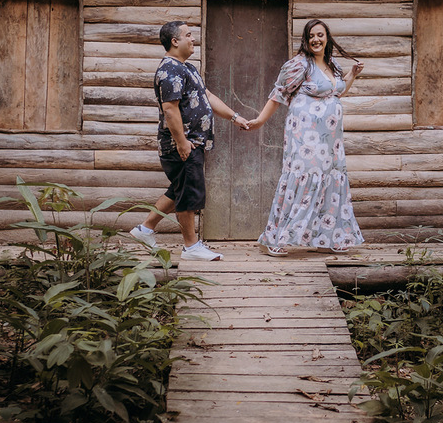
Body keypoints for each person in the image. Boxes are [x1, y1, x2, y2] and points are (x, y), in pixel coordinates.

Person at [128, 20, 250, 260]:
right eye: (188, 35)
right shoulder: (169, 70)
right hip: (183, 144)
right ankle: (191, 247)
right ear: (175, 41)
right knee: (188, 192)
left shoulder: (188, 68)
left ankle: (145, 229)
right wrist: (182, 142)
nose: (193, 39)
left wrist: (234, 117)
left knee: (179, 189)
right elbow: (170, 109)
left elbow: (208, 96)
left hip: (192, 141)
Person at [245, 19, 365, 257]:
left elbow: (337, 92)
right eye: (311, 36)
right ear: (306, 39)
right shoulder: (299, 64)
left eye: (320, 35)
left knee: (330, 180)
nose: (316, 40)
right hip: (305, 137)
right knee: (301, 179)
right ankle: (273, 238)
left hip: (330, 140)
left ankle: (326, 237)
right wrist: (260, 120)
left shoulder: (333, 64)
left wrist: (351, 75)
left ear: (327, 38)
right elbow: (278, 92)